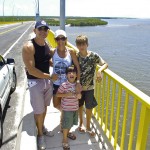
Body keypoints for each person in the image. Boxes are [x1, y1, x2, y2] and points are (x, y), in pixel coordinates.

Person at [22, 20, 58, 150]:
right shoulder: (29, 47)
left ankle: (42, 127)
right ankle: (40, 136)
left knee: (44, 107)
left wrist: (52, 62)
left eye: (45, 29)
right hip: (35, 81)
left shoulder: (46, 43)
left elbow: (46, 58)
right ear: (34, 31)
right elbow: (31, 69)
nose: (43, 31)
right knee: (38, 110)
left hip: (46, 81)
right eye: (40, 29)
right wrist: (49, 76)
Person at [75, 35, 108, 137]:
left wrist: (99, 70)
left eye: (83, 44)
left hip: (90, 88)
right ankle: (81, 123)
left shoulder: (94, 55)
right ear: (76, 45)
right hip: (79, 88)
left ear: (87, 44)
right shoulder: (75, 56)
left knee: (89, 107)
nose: (81, 46)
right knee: (79, 106)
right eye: (79, 44)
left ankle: (88, 126)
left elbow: (105, 64)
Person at [50, 29, 81, 129]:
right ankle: (64, 114)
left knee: (67, 104)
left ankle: (64, 121)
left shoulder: (71, 52)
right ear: (55, 40)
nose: (60, 41)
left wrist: (77, 82)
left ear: (66, 39)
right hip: (56, 83)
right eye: (58, 39)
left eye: (62, 38)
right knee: (55, 104)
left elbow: (77, 67)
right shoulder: (52, 51)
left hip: (68, 84)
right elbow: (43, 61)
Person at [56, 65, 81, 150]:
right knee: (66, 124)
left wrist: (79, 95)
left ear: (76, 75)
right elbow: (57, 94)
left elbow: (79, 96)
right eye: (69, 72)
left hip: (75, 108)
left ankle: (67, 132)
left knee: (71, 123)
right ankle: (65, 139)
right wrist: (66, 94)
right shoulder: (64, 85)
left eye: (73, 72)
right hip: (67, 109)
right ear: (66, 75)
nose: (71, 74)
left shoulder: (78, 85)